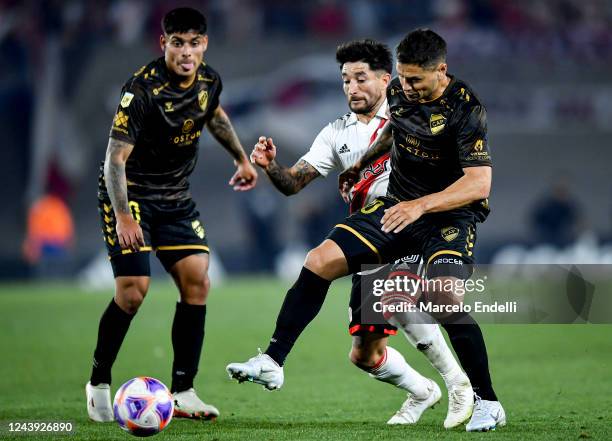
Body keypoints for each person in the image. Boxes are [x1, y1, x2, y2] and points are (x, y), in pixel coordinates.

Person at [227, 29, 506, 432]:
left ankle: (484, 399)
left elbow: (479, 184)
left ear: (441, 71)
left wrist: (421, 205)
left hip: (447, 216)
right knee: (321, 263)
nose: (405, 87)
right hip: (394, 209)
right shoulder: (395, 96)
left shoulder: (466, 109)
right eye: (402, 79)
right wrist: (360, 165)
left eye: (414, 80)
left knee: (442, 298)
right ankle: (272, 361)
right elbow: (396, 132)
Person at [86, 7, 257, 422]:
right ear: (164, 44)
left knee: (197, 280)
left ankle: (183, 391)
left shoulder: (209, 80)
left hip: (176, 198)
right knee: (133, 292)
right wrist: (125, 217)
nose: (186, 51)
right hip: (131, 197)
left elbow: (213, 115)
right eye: (177, 42)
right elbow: (114, 159)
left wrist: (241, 159)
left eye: (194, 43)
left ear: (204, 45)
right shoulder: (141, 90)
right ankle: (99, 381)